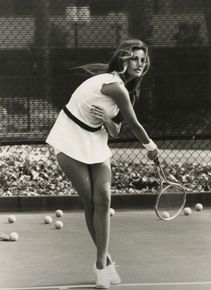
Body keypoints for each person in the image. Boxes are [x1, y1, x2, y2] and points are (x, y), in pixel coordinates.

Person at [46, 38, 159, 289]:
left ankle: (101, 264)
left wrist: (108, 122)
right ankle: (103, 263)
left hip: (96, 141)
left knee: (104, 200)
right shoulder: (113, 86)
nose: (139, 64)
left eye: (143, 60)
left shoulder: (125, 89)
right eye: (134, 59)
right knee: (90, 202)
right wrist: (151, 146)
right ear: (123, 60)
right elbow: (134, 125)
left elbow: (117, 129)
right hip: (69, 138)